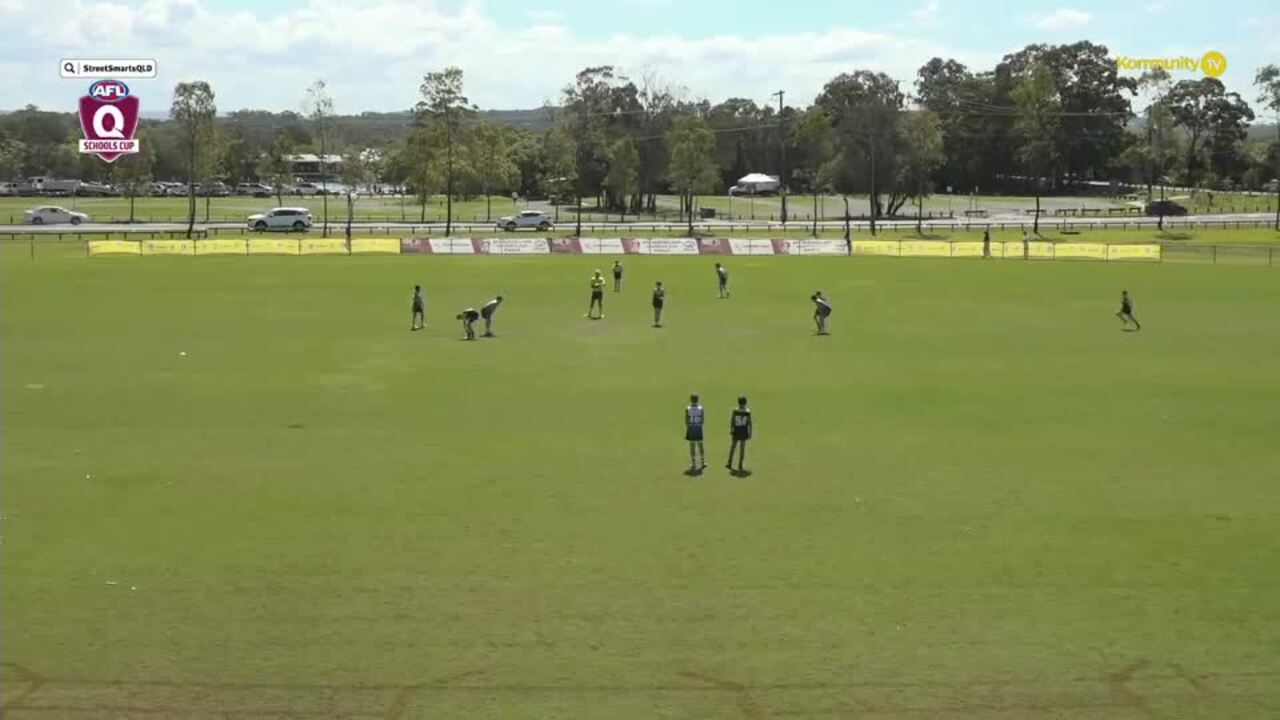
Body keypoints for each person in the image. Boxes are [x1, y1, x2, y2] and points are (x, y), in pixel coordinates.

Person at [726, 396, 752, 472]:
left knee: (733, 447)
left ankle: (729, 463)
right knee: (742, 448)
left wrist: (731, 429)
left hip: (736, 430)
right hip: (743, 430)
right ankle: (740, 465)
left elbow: (732, 420)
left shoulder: (735, 410)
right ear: (745, 402)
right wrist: (750, 432)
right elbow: (749, 423)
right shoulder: (747, 411)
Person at [685, 394, 706, 471]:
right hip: (698, 427)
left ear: (691, 400)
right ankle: (703, 462)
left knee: (692, 446)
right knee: (700, 445)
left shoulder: (688, 409)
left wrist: (689, 426)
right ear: (698, 400)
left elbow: (686, 420)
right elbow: (702, 420)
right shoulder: (701, 409)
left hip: (691, 427)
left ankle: (693, 463)